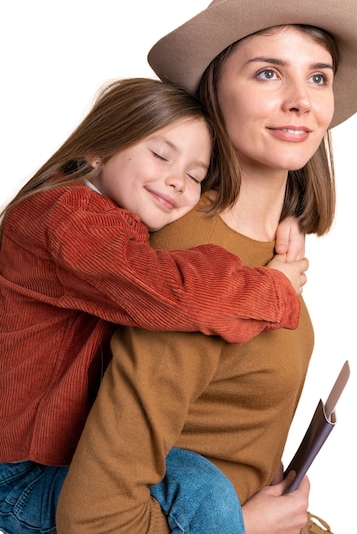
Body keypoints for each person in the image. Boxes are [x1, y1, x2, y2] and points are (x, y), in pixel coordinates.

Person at [56, 0, 357, 534]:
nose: (300, 102)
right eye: (268, 73)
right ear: (214, 90)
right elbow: (93, 520)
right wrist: (244, 525)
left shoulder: (268, 251)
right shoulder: (194, 268)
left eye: (318, 76)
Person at [0, 76, 309, 534]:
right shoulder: (66, 217)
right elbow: (170, 293)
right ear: (99, 149)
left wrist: (281, 222)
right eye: (161, 155)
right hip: (17, 477)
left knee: (194, 479)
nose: (176, 181)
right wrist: (271, 286)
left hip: (49, 461)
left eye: (196, 176)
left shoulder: (110, 216)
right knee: (201, 489)